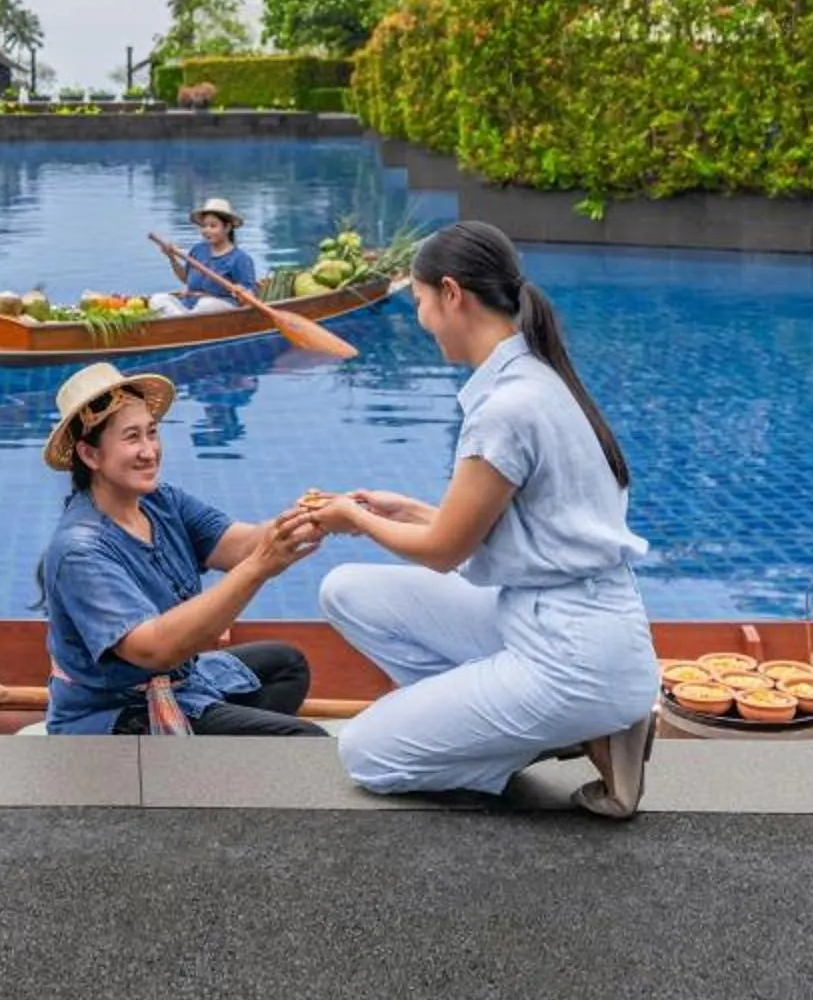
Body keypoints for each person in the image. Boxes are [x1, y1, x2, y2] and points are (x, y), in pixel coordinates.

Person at [304, 220, 659, 816]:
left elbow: (444, 552)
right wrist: (406, 510)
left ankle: (569, 727)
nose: (419, 320)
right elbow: (522, 526)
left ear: (451, 293)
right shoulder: (537, 380)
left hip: (569, 654)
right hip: (564, 620)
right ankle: (574, 725)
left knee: (365, 754)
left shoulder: (506, 407)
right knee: (346, 590)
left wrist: (354, 519)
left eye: (418, 302)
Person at [35, 361, 326, 736]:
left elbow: (241, 546)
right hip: (117, 712)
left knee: (287, 665)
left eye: (152, 433)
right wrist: (258, 568)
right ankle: (208, 769)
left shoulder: (161, 502)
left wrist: (314, 515)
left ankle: (214, 768)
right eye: (131, 438)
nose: (149, 451)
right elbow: (154, 649)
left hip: (179, 681)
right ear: (90, 455)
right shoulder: (80, 549)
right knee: (306, 739)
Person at [151, 197, 258, 315]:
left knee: (206, 304)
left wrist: (240, 291)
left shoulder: (240, 259)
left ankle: (179, 322)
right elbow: (186, 279)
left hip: (219, 308)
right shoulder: (198, 250)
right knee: (157, 299)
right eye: (204, 226)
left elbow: (249, 299)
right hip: (189, 307)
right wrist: (172, 258)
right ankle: (181, 320)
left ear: (227, 227)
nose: (206, 230)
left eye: (213, 226)